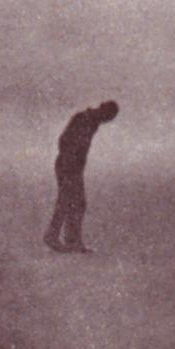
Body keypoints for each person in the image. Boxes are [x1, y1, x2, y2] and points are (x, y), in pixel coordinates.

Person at [44, 100, 119, 253]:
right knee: (68, 201)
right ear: (104, 111)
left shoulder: (93, 121)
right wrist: (71, 158)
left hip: (73, 167)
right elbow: (64, 140)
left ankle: (70, 240)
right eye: (108, 117)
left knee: (74, 202)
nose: (107, 121)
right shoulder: (83, 119)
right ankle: (56, 237)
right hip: (68, 166)